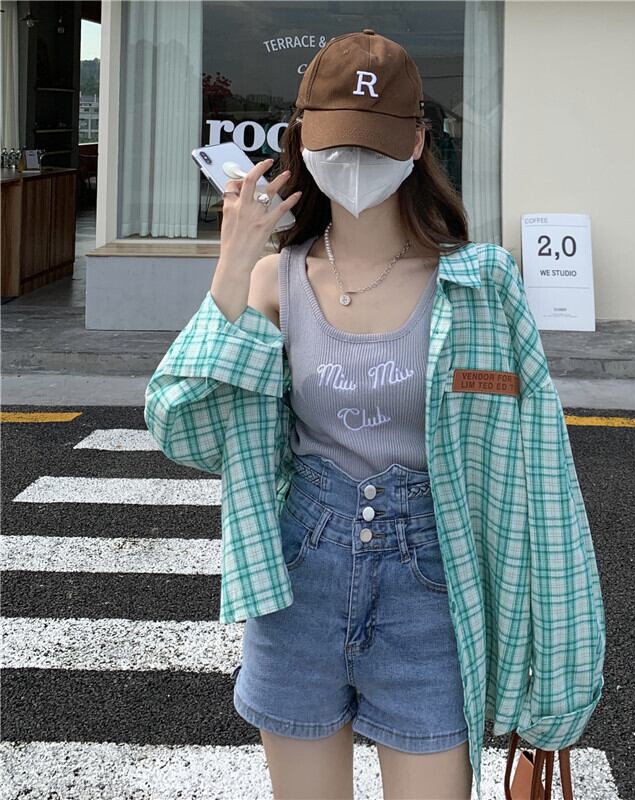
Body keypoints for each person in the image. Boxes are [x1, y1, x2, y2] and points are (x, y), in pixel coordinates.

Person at [145, 27, 605, 800]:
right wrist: (232, 262)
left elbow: (541, 480)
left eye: (377, 140)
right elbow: (182, 429)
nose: (355, 161)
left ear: (418, 142)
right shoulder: (272, 281)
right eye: (338, 141)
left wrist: (554, 677)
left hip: (431, 585)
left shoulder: (480, 287)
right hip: (299, 578)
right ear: (302, 140)